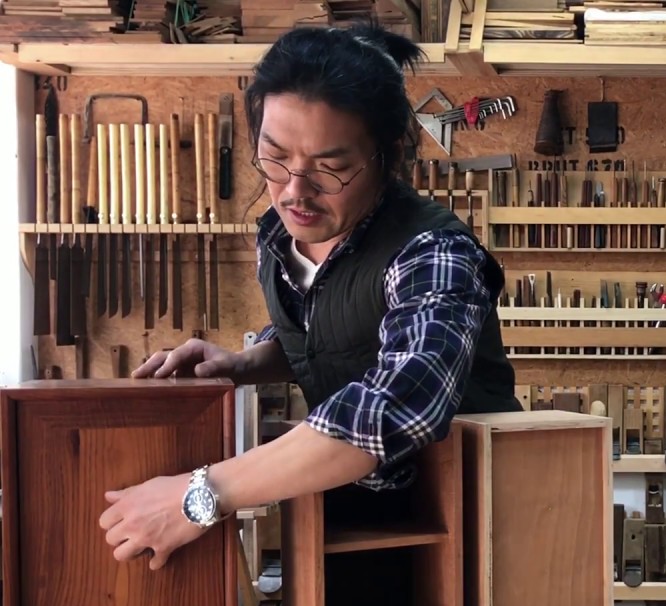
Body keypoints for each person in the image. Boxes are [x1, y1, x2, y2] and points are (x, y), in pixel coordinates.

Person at [98, 23, 523, 570]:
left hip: (468, 525)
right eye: (274, 157)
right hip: (349, 506)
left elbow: (397, 407)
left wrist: (200, 495)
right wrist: (246, 362)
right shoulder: (279, 237)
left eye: (331, 167)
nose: (295, 191)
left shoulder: (433, 253)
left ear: (388, 154)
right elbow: (332, 331)